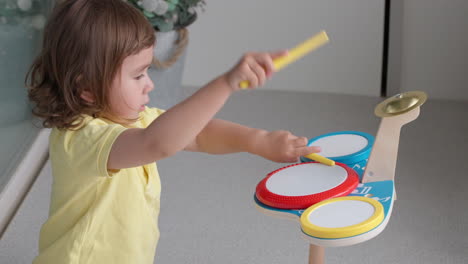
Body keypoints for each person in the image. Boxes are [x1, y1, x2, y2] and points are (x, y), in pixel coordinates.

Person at [26, 0, 321, 263]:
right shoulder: (80, 138)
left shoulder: (135, 121)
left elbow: (198, 134)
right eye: (138, 75)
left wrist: (257, 140)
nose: (149, 85)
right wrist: (226, 83)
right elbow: (158, 143)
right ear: (87, 88)